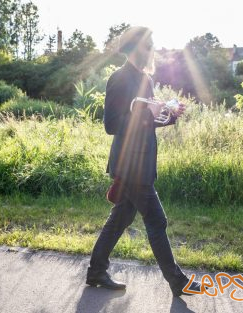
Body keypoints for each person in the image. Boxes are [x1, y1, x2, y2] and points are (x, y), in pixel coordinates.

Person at [86, 26, 202, 297]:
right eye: (147, 45)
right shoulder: (118, 79)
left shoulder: (146, 80)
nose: (151, 49)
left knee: (121, 218)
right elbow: (112, 125)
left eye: (152, 44)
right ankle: (177, 282)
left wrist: (170, 115)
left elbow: (146, 122)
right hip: (130, 165)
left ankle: (96, 271)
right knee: (157, 221)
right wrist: (146, 113)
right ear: (133, 48)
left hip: (143, 163)